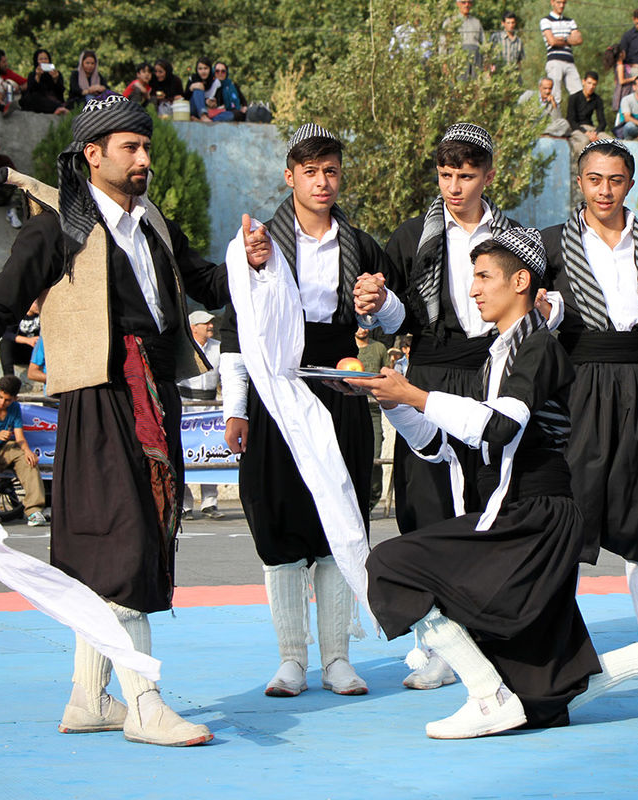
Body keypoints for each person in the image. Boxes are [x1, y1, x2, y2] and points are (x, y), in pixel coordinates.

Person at [0, 93, 276, 746]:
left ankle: (87, 697)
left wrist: (255, 265)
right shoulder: (58, 228)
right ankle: (146, 705)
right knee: (123, 550)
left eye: (147, 146)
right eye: (130, 147)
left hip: (154, 397)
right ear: (92, 154)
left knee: (119, 550)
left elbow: (209, 284)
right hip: (99, 405)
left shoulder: (154, 222)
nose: (144, 158)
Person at [350, 228, 638, 739]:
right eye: (472, 277)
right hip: (517, 512)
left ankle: (486, 696)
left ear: (520, 281)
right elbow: (444, 446)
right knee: (544, 697)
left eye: (483, 276)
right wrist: (396, 403)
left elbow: (499, 427)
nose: (472, 290)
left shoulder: (538, 349)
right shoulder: (496, 354)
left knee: (392, 564)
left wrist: (417, 394)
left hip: (536, 518)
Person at [220, 123, 402, 698]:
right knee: (279, 522)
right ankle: (291, 661)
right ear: (289, 176)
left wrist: (379, 311)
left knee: (340, 517)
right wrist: (237, 407)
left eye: (331, 171)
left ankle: (339, 659)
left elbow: (394, 320)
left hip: (339, 390)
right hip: (276, 393)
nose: (321, 182)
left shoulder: (361, 244)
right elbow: (235, 330)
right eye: (310, 171)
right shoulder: (258, 244)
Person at [540, 139, 638, 643]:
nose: (604, 191)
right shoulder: (549, 243)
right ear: (580, 182)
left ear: (631, 183)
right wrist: (546, 313)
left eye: (616, 180)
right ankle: (555, 642)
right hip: (578, 385)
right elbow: (536, 317)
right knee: (570, 511)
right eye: (594, 179)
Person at [384, 123, 517, 689]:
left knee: (491, 502)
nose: (454, 186)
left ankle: (490, 633)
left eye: (466, 175)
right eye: (445, 175)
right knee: (426, 504)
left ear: (488, 174)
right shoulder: (412, 236)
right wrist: (375, 303)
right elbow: (389, 319)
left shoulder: (513, 236)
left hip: (492, 368)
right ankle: (437, 644)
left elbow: (537, 302)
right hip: (430, 368)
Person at [0, 375, 48, 527]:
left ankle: (34, 510)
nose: (3, 403)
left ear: (15, 398)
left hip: (5, 448)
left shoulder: (14, 408)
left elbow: (19, 436)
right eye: (0, 398)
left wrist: (27, 451)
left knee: (27, 460)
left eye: (7, 400)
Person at [177, 310, 222, 521]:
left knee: (211, 452)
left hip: (211, 408)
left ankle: (210, 502)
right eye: (205, 324)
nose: (210, 326)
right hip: (187, 406)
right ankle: (185, 504)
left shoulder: (218, 348)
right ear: (194, 327)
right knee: (185, 455)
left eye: (211, 323)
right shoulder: (184, 347)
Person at [356, 326, 390, 510]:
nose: (362, 329)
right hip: (350, 406)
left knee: (374, 456)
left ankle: (371, 500)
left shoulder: (379, 348)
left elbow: (387, 375)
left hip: (373, 411)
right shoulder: (346, 347)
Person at [540, 0, 582, 103]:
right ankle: (554, 118)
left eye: (564, 3)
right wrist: (569, 39)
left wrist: (561, 39)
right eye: (559, 2)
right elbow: (552, 41)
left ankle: (577, 118)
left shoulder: (570, 21)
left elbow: (579, 39)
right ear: (552, 2)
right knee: (555, 95)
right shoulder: (546, 20)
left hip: (569, 61)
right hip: (554, 60)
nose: (562, 5)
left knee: (579, 93)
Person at [21, 49, 68, 115]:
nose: (43, 61)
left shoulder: (56, 73)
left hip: (53, 100)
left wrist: (55, 79)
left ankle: (59, 108)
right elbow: (31, 90)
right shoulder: (32, 74)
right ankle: (58, 108)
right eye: (41, 59)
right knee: (32, 98)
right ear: (36, 61)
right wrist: (38, 76)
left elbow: (60, 92)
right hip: (39, 101)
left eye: (46, 59)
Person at [0, 301, 40, 379]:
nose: (38, 305)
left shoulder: (44, 315)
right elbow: (6, 334)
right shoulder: (17, 315)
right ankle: (9, 379)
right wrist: (28, 340)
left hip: (37, 353)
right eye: (36, 303)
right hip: (19, 353)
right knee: (4, 343)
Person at [445, 0, 484, 78]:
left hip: (475, 59)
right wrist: (444, 63)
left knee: (475, 85)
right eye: (463, 2)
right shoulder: (450, 22)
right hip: (457, 59)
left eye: (469, 2)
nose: (467, 5)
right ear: (457, 4)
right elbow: (443, 44)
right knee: (458, 86)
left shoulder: (476, 22)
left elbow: (484, 43)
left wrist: (486, 61)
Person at [0, 48, 26, 113]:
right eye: (4, 62)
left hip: (8, 100)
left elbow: (27, 83)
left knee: (8, 84)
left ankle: (9, 105)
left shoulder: (7, 72)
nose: (6, 64)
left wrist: (19, 88)